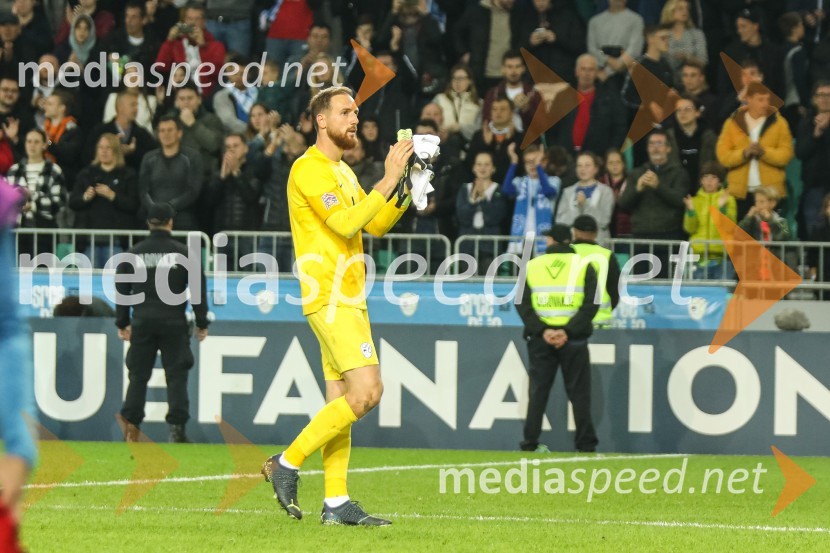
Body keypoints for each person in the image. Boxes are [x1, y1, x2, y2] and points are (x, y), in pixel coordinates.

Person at [260, 86, 414, 526]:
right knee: (368, 393)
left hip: (348, 296)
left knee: (342, 404)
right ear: (321, 120)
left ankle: (335, 503)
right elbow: (345, 221)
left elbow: (376, 223)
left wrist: (405, 188)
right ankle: (286, 463)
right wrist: (387, 175)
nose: (354, 118)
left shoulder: (342, 172)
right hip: (330, 296)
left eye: (357, 111)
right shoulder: (308, 169)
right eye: (345, 111)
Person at [116, 202, 209, 444]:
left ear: (148, 223)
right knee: (176, 376)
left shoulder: (133, 253)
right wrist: (201, 322)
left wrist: (122, 322)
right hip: (173, 321)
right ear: (170, 222)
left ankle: (131, 430)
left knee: (138, 376)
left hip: (143, 320)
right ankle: (177, 430)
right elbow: (198, 289)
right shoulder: (184, 253)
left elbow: (122, 290)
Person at [516, 223, 599, 453]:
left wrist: (543, 330)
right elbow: (591, 304)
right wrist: (567, 331)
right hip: (573, 340)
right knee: (579, 394)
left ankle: (529, 443)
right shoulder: (584, 265)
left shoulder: (531, 266)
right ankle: (585, 445)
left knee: (538, 393)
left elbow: (521, 303)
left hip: (541, 340)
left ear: (553, 240)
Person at [0, 178, 36, 553]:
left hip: (5, 335)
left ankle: (7, 532)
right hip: (7, 335)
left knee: (22, 445)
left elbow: (9, 198)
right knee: (21, 443)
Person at [716, 82, 794, 220]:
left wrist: (764, 152)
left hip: (771, 195)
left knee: (771, 238)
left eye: (767, 99)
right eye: (760, 100)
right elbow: (722, 155)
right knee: (742, 236)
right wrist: (744, 153)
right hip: (740, 194)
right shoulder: (733, 122)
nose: (765, 104)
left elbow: (786, 155)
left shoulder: (779, 123)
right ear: (749, 99)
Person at [619, 129, 690, 278]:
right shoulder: (637, 173)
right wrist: (637, 190)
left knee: (667, 287)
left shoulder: (679, 173)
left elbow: (679, 201)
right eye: (651, 144)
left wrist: (659, 186)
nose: (655, 147)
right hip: (641, 238)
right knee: (641, 287)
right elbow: (623, 204)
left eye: (659, 143)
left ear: (668, 148)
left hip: (668, 237)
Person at [70, 133, 139, 267]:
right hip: (89, 241)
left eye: (108, 148)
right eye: (101, 147)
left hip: (117, 241)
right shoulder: (87, 173)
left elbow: (134, 204)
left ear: (116, 151)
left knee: (114, 283)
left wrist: (113, 196)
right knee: (88, 284)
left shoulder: (128, 174)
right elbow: (73, 202)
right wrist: (85, 197)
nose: (104, 151)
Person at [552, 54, 626, 157]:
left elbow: (620, 128)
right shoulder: (562, 97)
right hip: (565, 158)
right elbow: (551, 128)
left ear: (596, 73)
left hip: (597, 159)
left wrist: (610, 154)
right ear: (576, 71)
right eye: (583, 69)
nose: (587, 74)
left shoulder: (610, 98)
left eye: (591, 70)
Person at [6, 128, 66, 256]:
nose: (32, 145)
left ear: (44, 144)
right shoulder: (14, 170)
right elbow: (5, 201)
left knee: (44, 272)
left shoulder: (54, 170)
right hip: (17, 231)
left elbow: (58, 202)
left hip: (45, 231)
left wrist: (32, 205)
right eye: (29, 141)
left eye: (36, 142)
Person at [139, 115, 204, 230]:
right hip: (154, 221)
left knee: (192, 248)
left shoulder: (193, 157)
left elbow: (193, 191)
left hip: (185, 220)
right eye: (162, 130)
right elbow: (143, 191)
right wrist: (156, 210)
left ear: (179, 133)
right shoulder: (148, 158)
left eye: (170, 130)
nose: (166, 134)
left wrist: (168, 207)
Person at [154, 2, 226, 97]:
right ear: (184, 21)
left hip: (205, 95)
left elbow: (217, 74)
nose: (192, 23)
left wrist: (203, 46)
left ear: (204, 22)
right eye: (189, 19)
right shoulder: (177, 44)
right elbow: (160, 67)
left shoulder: (216, 46)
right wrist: (169, 41)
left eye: (197, 19)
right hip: (180, 95)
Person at [682, 161, 737, 279]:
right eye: (705, 177)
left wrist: (722, 208)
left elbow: (729, 227)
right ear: (701, 181)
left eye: (713, 177)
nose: (709, 181)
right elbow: (689, 228)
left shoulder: (728, 199)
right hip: (698, 258)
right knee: (698, 295)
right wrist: (691, 211)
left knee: (722, 295)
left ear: (720, 181)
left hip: (722, 259)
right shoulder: (694, 201)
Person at [457, 151, 509, 274]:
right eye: (479, 164)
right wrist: (473, 200)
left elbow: (495, 217)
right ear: (474, 168)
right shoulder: (465, 189)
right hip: (467, 246)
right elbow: (462, 216)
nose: (482, 168)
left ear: (493, 168)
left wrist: (483, 198)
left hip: (490, 247)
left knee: (488, 285)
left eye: (486, 164)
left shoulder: (498, 190)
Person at [502, 142, 559, 254]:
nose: (532, 165)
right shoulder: (520, 182)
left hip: (542, 236)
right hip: (521, 236)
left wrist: (539, 168)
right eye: (529, 162)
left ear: (545, 162)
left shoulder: (553, 180)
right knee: (522, 270)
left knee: (538, 270)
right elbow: (506, 189)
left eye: (536, 161)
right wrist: (513, 162)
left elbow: (548, 192)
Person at [571, 214, 621, 328]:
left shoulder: (566, 254)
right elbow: (615, 290)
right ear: (596, 234)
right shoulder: (607, 255)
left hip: (571, 322)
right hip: (601, 321)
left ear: (574, 232)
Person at [556, 152, 615, 244]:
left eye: (587, 165)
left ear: (596, 169)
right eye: (579, 166)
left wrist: (585, 205)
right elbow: (560, 220)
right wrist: (577, 208)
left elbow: (604, 220)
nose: (582, 169)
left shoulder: (606, 191)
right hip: (573, 245)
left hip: (597, 245)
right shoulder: (568, 192)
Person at [796, 81, 830, 238]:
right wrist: (816, 133)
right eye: (821, 95)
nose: (825, 99)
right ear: (814, 99)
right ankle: (816, 262)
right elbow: (800, 152)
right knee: (814, 232)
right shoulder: (806, 123)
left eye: (828, 95)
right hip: (814, 186)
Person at [667, 95, 717, 191]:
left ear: (697, 112)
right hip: (676, 190)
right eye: (679, 110)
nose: (682, 113)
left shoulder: (709, 136)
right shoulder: (669, 137)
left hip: (704, 190)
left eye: (687, 109)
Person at [432, 64, 482, 142]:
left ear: (470, 81)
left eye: (461, 78)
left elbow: (479, 129)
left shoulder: (479, 103)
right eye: (454, 78)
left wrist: (460, 127)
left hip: (468, 143)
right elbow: (430, 121)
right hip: (442, 142)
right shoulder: (439, 99)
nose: (457, 82)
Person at [660, 0, 707, 76]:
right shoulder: (662, 35)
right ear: (671, 10)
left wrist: (687, 58)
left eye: (687, 8)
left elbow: (703, 62)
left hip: (691, 79)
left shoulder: (697, 34)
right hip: (666, 79)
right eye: (680, 8)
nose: (685, 11)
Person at [599, 148, 631, 238]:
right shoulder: (600, 182)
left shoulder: (631, 181)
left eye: (618, 162)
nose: (614, 165)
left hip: (626, 229)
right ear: (606, 165)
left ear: (623, 164)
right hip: (605, 229)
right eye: (611, 163)